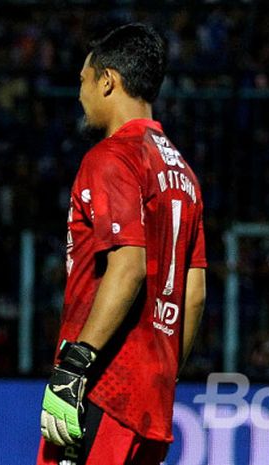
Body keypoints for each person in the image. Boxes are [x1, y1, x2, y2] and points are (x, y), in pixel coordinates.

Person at [38, 23, 206, 465]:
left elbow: (128, 265)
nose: (80, 95)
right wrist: (162, 372)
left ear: (107, 80)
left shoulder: (111, 157)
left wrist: (74, 366)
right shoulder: (184, 174)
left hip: (103, 386)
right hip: (152, 397)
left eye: (83, 81)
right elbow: (194, 293)